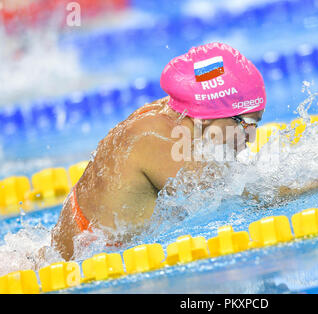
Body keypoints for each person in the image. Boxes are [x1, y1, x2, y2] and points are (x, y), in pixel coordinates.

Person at [51, 42, 266, 260]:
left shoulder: (176, 115)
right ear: (212, 112)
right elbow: (244, 198)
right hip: (83, 269)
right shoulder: (159, 138)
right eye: (246, 122)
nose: (250, 136)